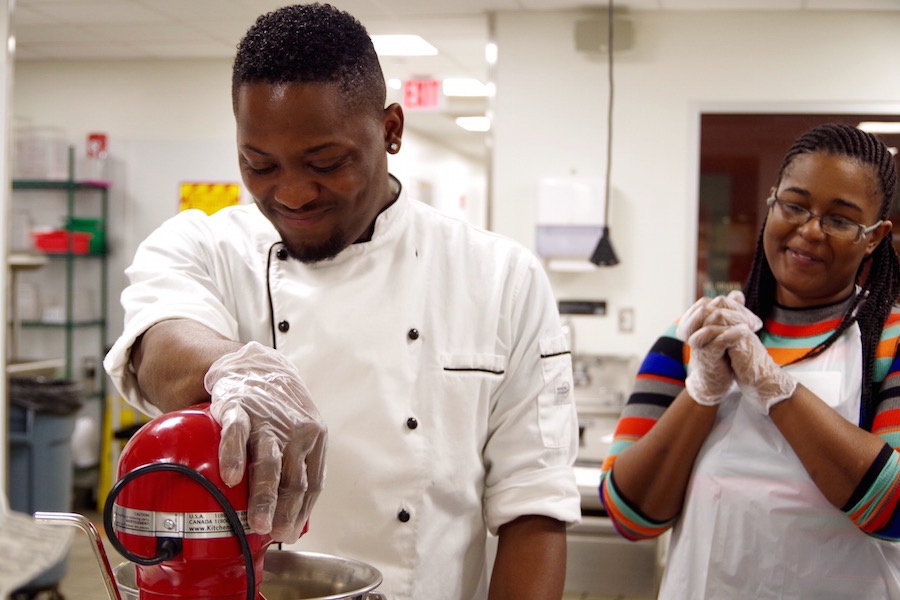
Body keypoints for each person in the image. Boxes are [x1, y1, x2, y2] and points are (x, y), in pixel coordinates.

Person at [103, 3, 581, 598]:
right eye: (260, 165)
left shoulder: (498, 276)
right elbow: (159, 345)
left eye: (327, 163)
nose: (294, 193)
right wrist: (234, 367)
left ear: (391, 130)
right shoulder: (203, 245)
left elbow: (533, 507)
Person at [599, 122, 900, 598]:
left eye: (840, 220)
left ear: (875, 237)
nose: (809, 230)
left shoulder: (890, 341)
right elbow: (629, 515)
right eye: (794, 205)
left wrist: (774, 388)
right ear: (772, 202)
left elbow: (894, 511)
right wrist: (702, 392)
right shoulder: (691, 337)